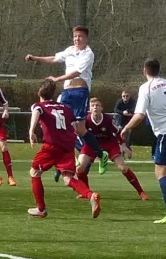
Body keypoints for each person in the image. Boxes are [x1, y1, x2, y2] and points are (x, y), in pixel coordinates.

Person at [25, 26, 109, 175]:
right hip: (66, 93)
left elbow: (77, 72)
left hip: (80, 93)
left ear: (86, 38)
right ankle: (65, 160)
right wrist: (35, 58)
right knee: (63, 125)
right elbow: (54, 58)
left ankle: (101, 154)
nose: (77, 39)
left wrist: (57, 79)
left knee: (80, 130)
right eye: (75, 36)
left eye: (80, 36)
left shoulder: (88, 54)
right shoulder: (70, 50)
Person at [121, 58, 166, 224]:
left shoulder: (146, 87)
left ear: (144, 71)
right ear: (159, 70)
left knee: (160, 172)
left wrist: (126, 128)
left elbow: (139, 115)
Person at [28, 79, 101, 218]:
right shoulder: (65, 108)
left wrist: (31, 131)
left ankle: (41, 209)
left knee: (34, 173)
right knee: (68, 179)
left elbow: (36, 112)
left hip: (52, 146)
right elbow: (73, 127)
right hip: (67, 146)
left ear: (39, 93)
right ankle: (91, 195)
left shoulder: (39, 105)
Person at [77, 98, 148, 200]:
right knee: (80, 168)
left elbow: (118, 133)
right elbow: (78, 133)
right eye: (92, 106)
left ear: (102, 108)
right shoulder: (86, 120)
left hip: (109, 144)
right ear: (89, 108)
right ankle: (85, 191)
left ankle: (141, 192)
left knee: (123, 168)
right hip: (92, 144)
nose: (95, 107)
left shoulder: (108, 119)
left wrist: (124, 146)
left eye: (97, 105)